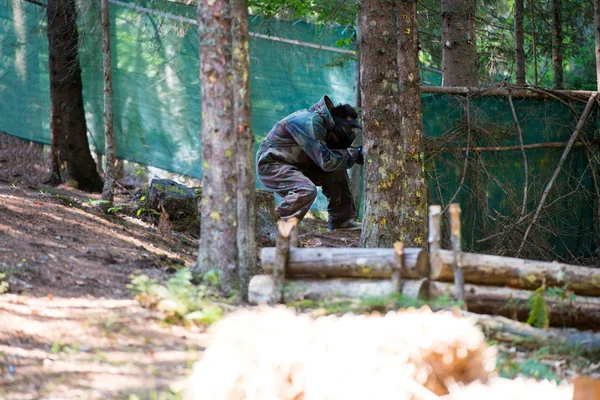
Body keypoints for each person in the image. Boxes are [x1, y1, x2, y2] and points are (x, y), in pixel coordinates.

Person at [256, 95, 364, 231]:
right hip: (272, 164)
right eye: (348, 128)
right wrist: (354, 154)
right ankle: (273, 229)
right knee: (305, 190)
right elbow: (326, 161)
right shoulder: (311, 122)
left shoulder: (325, 124)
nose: (350, 132)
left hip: (297, 164)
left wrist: (353, 155)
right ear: (338, 122)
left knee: (337, 169)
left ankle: (341, 221)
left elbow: (330, 159)